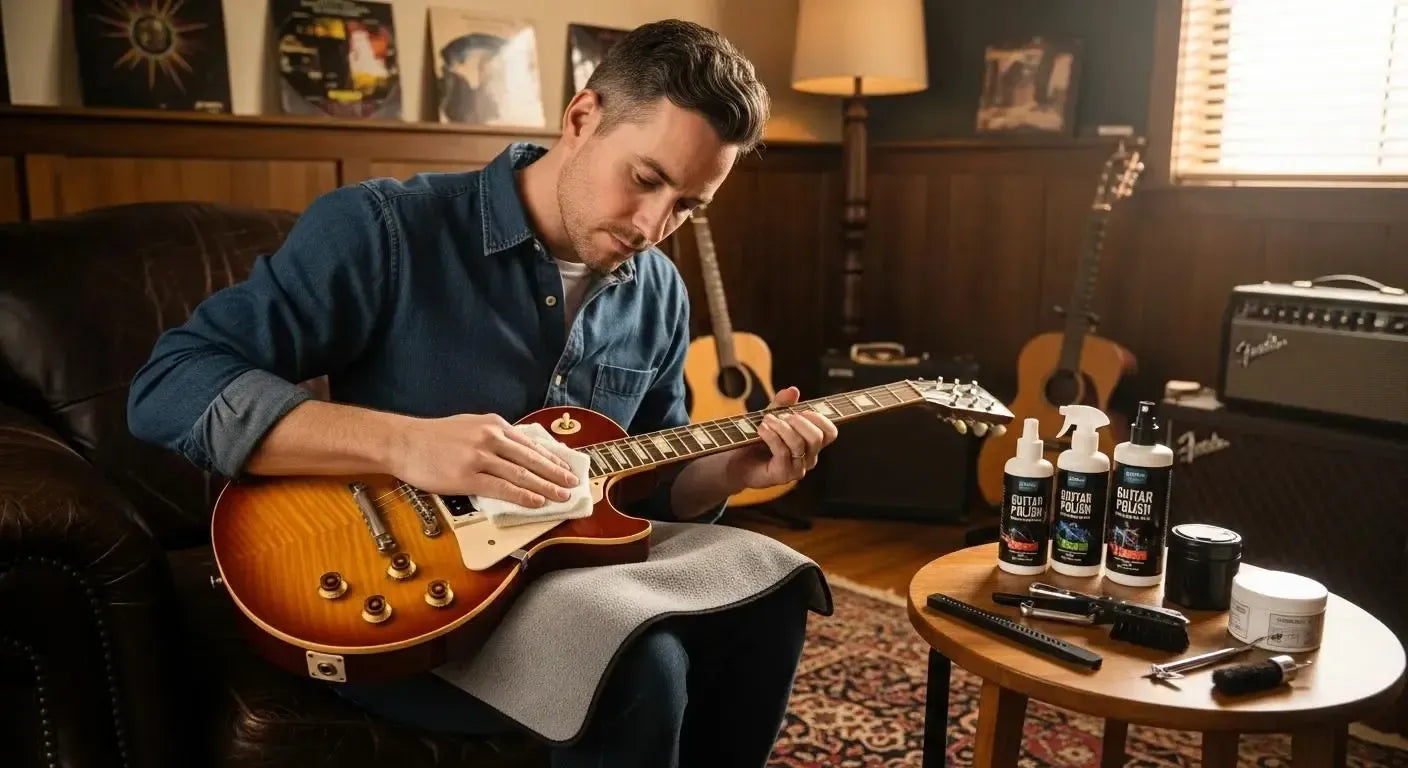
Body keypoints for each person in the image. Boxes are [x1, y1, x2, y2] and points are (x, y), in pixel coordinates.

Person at [127, 18, 836, 768]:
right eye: (647, 180)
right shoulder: (386, 229)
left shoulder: (659, 291)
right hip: (400, 598)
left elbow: (641, 492)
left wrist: (730, 470)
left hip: (566, 581)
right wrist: (407, 443)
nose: (654, 226)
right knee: (639, 661)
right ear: (581, 118)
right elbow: (170, 383)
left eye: (689, 206)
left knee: (774, 593)